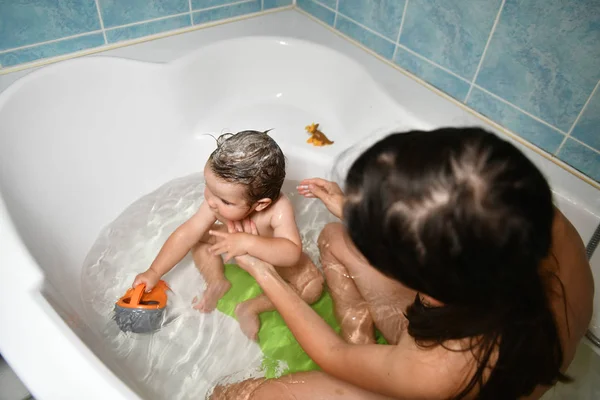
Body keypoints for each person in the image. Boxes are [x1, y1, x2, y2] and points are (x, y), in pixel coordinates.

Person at [210, 127, 594, 399]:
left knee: (237, 397)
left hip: (441, 383)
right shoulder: (523, 216)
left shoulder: (442, 367)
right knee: (335, 240)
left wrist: (260, 269)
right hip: (469, 353)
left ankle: (372, 367)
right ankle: (366, 348)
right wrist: (353, 210)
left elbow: (332, 356)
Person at [132, 130, 324, 340]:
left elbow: (291, 253)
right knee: (199, 239)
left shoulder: (279, 209)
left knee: (312, 287)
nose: (211, 201)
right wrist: (153, 271)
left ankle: (251, 307)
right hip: (231, 245)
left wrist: (249, 243)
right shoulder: (216, 201)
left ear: (260, 204)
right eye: (208, 188)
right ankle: (216, 281)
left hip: (275, 262)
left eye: (225, 201)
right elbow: (187, 234)